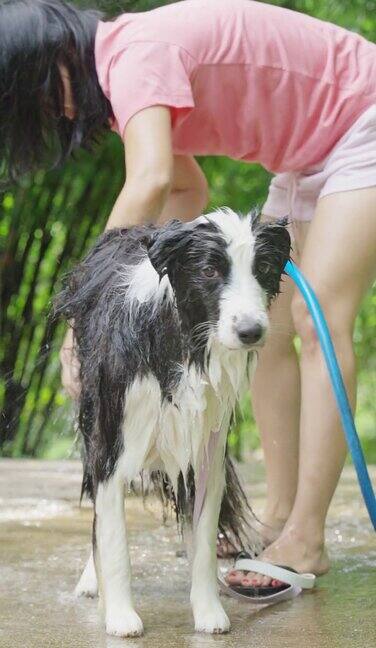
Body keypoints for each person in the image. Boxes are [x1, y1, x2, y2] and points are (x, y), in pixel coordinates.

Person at [1, 0, 375, 597]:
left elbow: (149, 181)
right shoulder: (131, 66)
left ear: (57, 62)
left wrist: (86, 313)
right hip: (309, 157)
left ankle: (306, 538)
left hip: (364, 116)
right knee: (268, 323)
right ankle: (279, 515)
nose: (60, 112)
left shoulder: (132, 58)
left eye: (46, 96)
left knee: (315, 317)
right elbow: (185, 187)